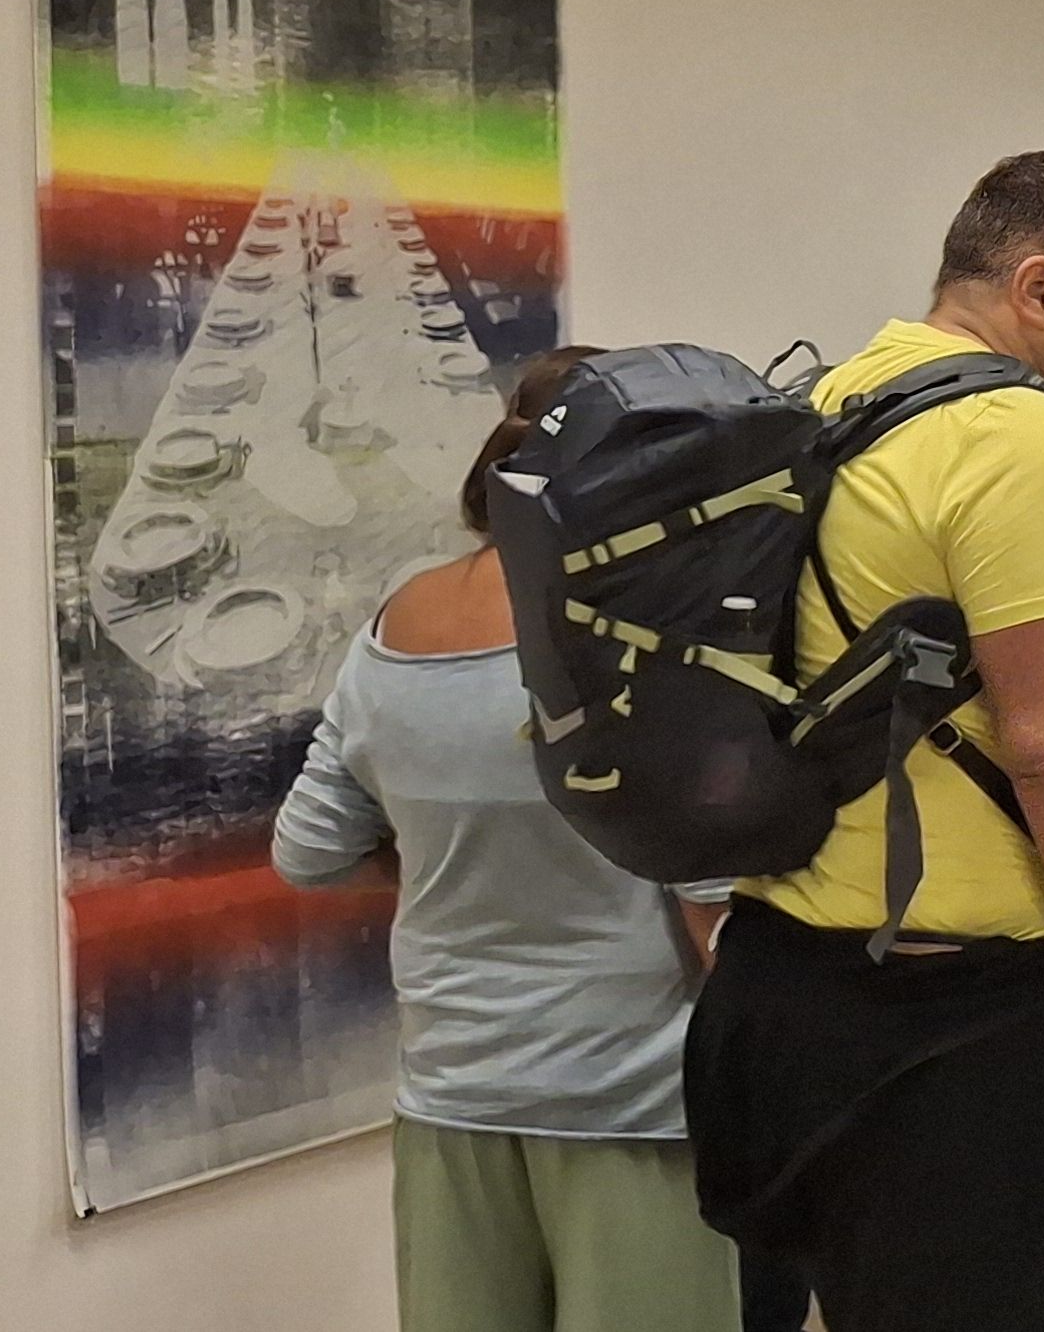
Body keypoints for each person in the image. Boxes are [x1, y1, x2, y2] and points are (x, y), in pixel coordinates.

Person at [688, 151, 1044, 1332]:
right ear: (1037, 287)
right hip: (967, 1042)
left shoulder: (845, 397)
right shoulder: (1015, 435)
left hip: (790, 992)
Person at [272, 344, 746, 1332]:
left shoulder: (393, 626)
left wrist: (454, 858)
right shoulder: (640, 638)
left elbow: (309, 850)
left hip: (452, 1094)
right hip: (631, 1104)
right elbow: (715, 913)